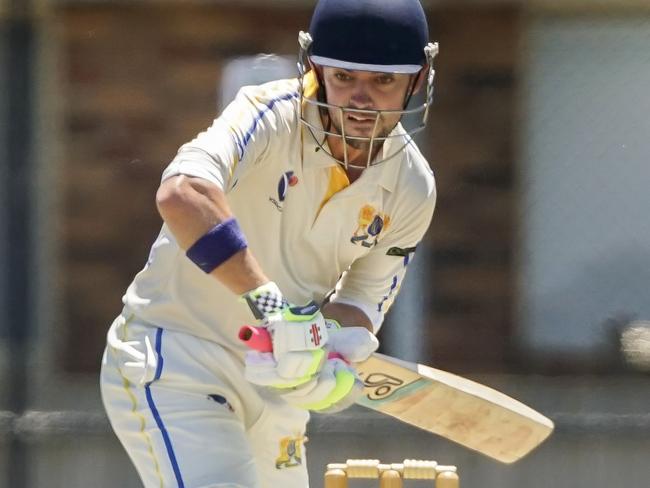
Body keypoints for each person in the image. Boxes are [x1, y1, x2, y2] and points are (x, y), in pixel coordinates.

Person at [100, 0, 439, 486]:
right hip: (178, 360)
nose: (360, 100)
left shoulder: (412, 186)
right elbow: (182, 195)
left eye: (383, 81)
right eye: (344, 78)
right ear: (315, 68)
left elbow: (361, 304)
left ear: (418, 76)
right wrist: (274, 309)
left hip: (274, 388)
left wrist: (329, 356)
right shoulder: (268, 114)